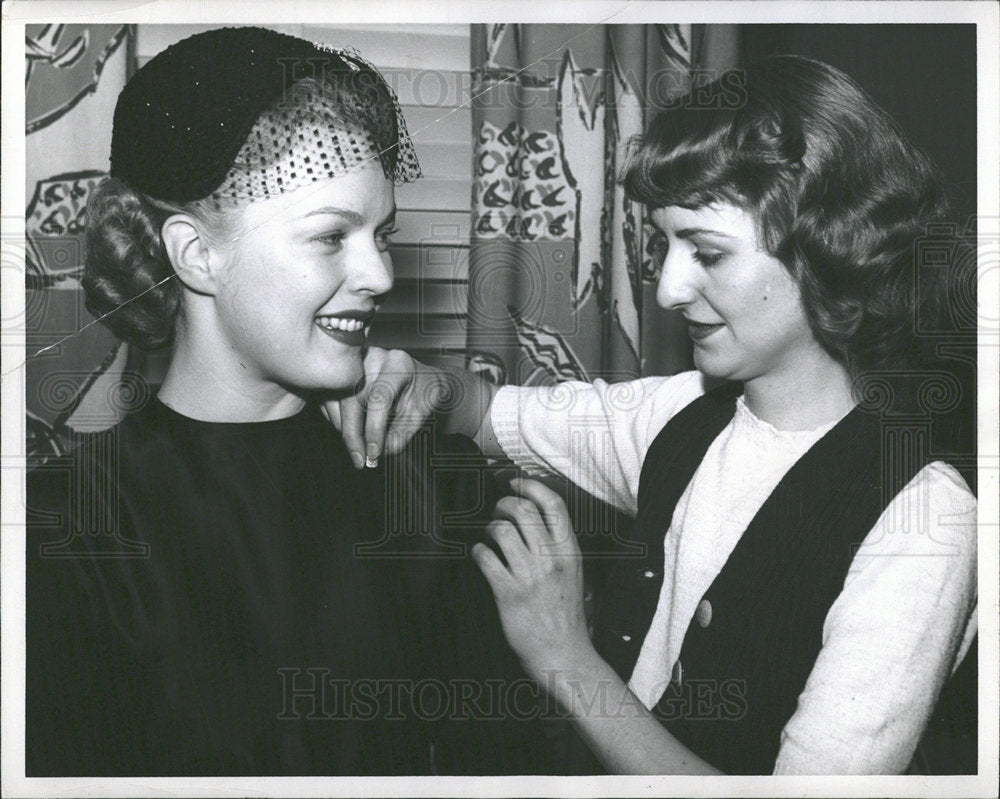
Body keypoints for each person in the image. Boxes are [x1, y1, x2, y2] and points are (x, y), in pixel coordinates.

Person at [351, 55, 978, 775]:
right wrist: (416, 378)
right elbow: (489, 410)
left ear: (828, 249)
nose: (671, 288)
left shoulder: (926, 522)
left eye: (707, 252)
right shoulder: (678, 413)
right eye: (665, 246)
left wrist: (564, 656)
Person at [25, 26, 547, 776]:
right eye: (331, 237)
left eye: (382, 235)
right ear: (197, 254)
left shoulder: (432, 483)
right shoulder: (68, 530)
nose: (379, 275)